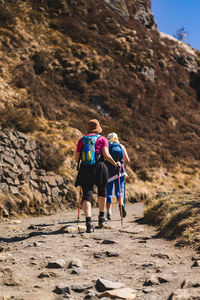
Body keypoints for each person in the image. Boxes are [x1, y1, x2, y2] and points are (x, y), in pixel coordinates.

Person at [75, 119, 120, 233]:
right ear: (98, 129)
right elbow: (106, 155)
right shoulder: (102, 139)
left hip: (85, 169)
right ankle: (101, 217)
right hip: (100, 167)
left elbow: (76, 158)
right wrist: (115, 164)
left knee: (87, 194)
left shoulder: (81, 140)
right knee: (102, 191)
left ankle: (88, 222)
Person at [106, 132, 130, 220]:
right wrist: (124, 166)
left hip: (108, 172)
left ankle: (108, 211)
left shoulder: (106, 146)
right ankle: (121, 204)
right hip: (120, 171)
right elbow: (127, 160)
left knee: (108, 192)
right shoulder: (121, 146)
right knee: (119, 191)